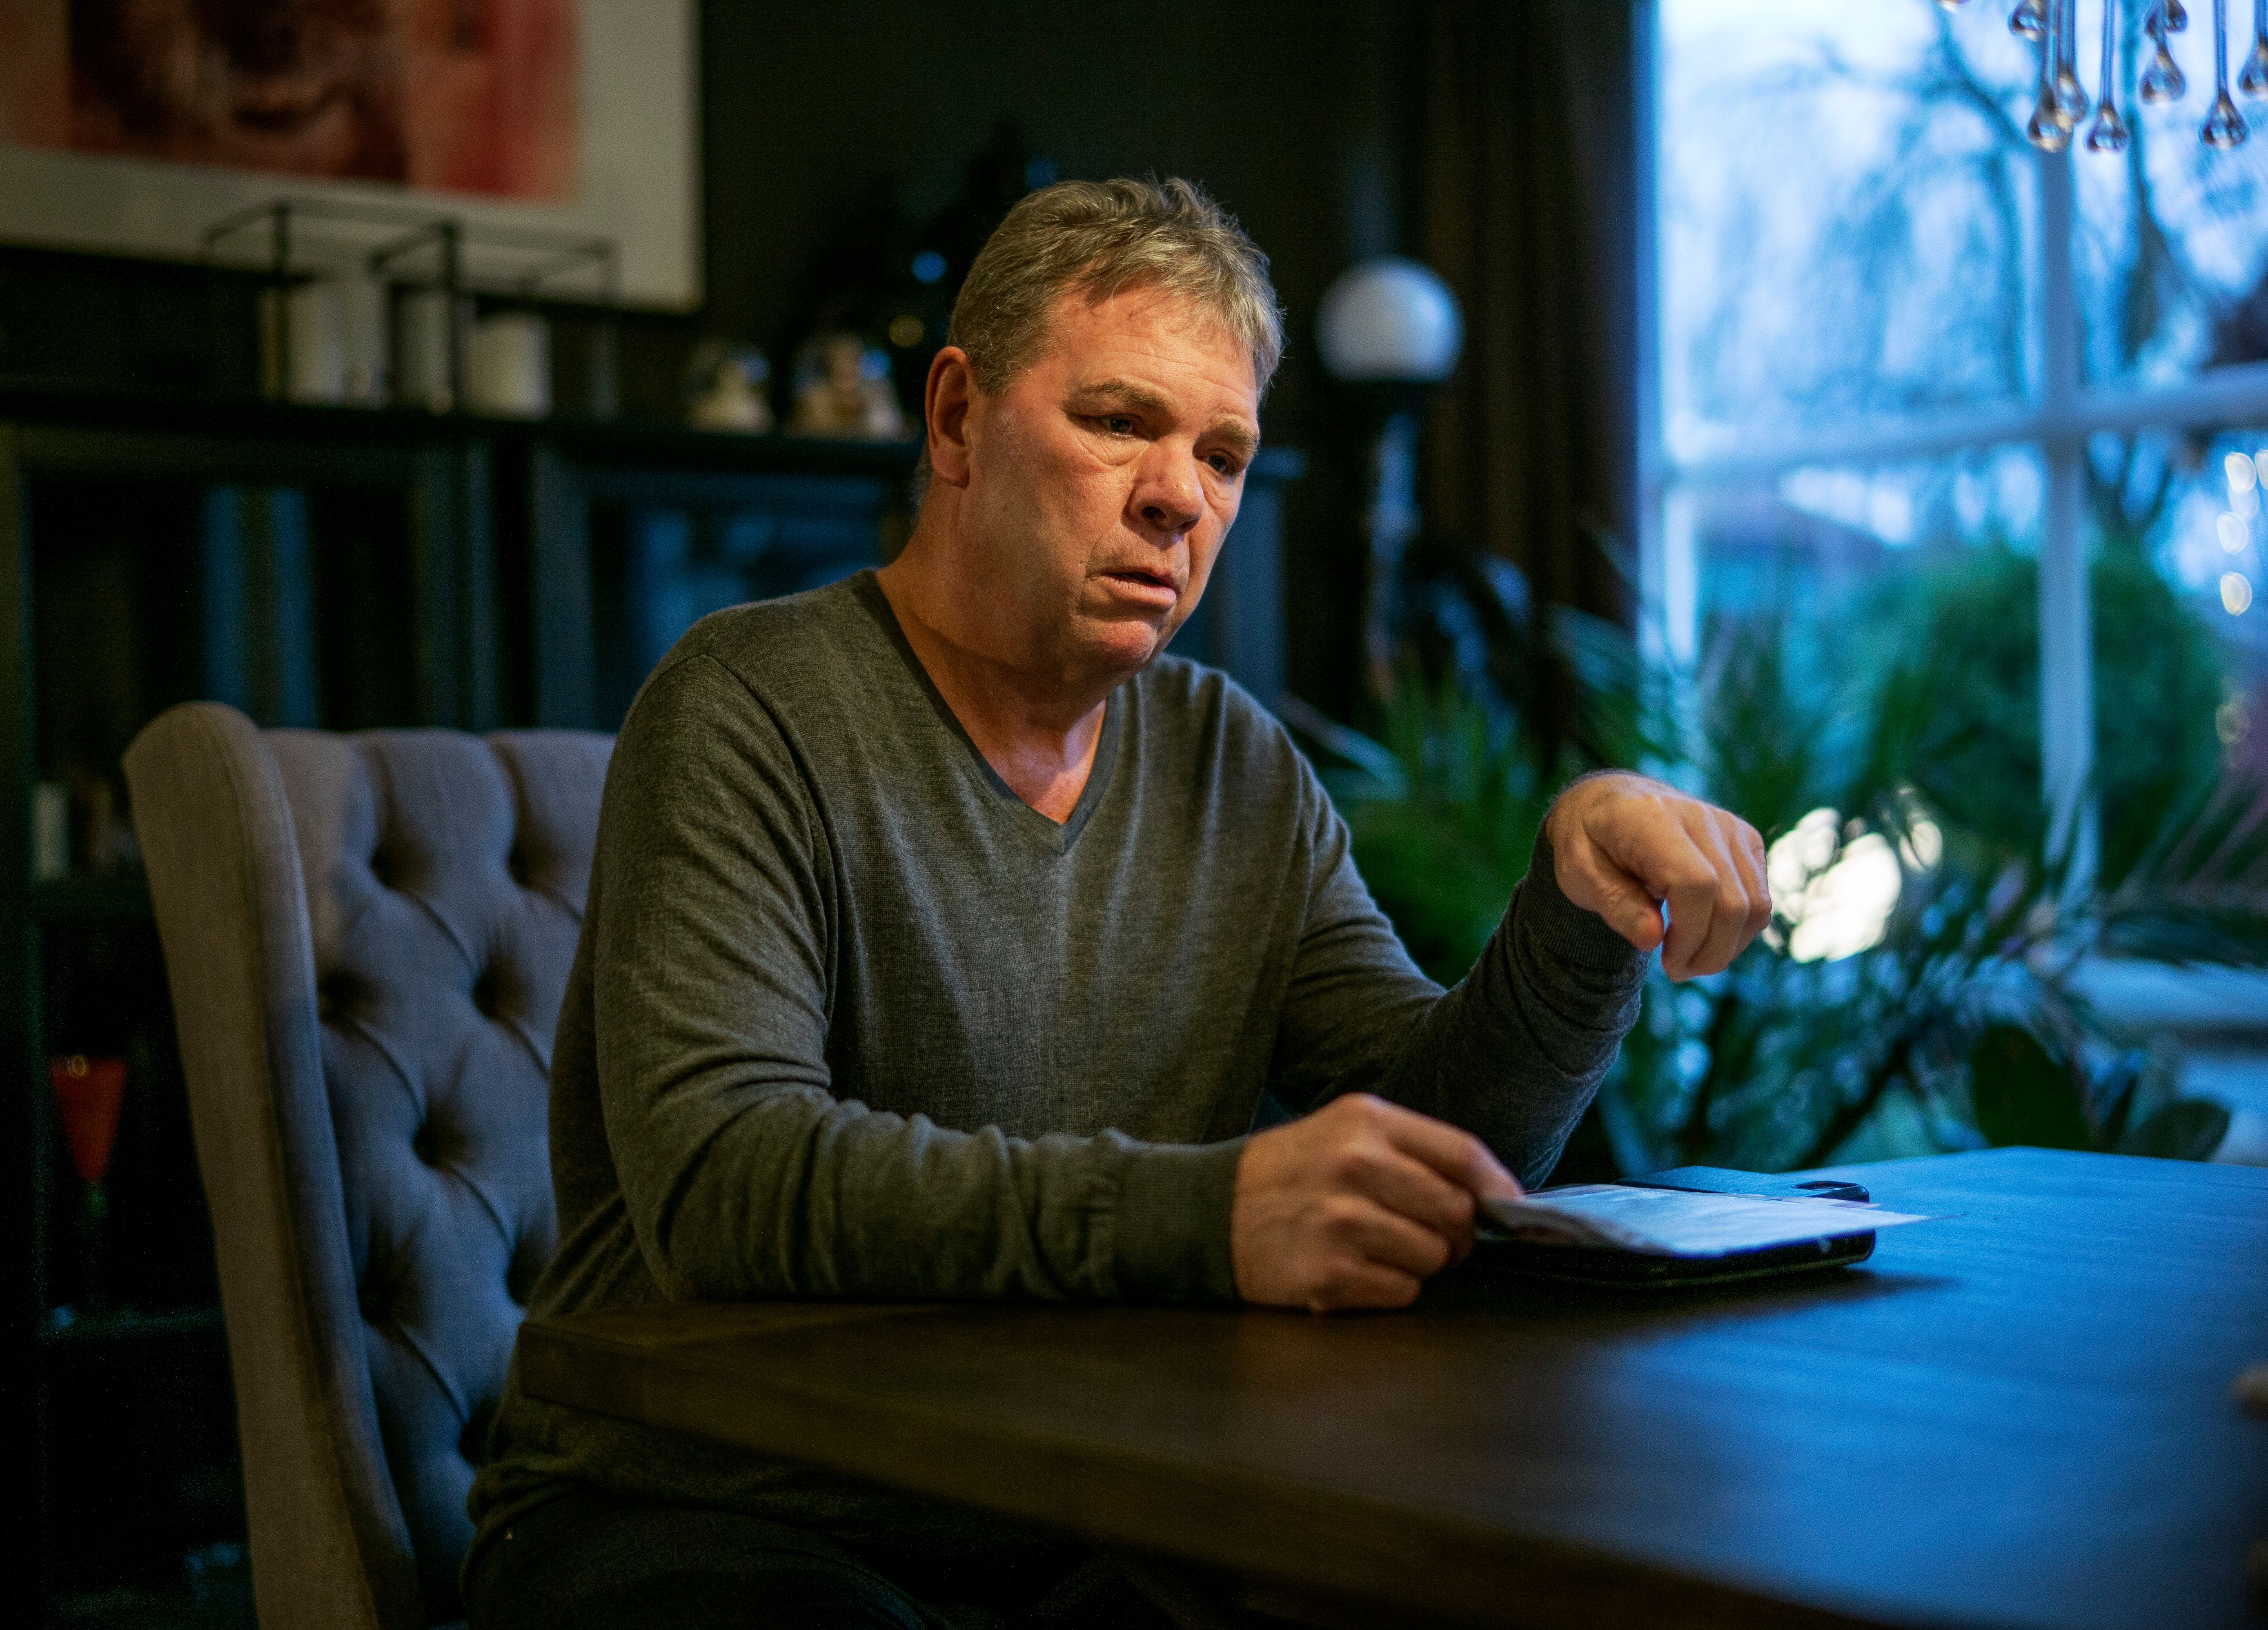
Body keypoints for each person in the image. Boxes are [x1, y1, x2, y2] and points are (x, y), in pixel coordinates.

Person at [466, 177, 1770, 1628]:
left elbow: (1438, 1142)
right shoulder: (744, 704)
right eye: (1116, 421)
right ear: (956, 421)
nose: (1180, 495)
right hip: (697, 1511)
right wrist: (1211, 1215)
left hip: (1078, 1507)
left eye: (1224, 453)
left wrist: (1578, 915)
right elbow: (728, 1182)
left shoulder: (1233, 762)